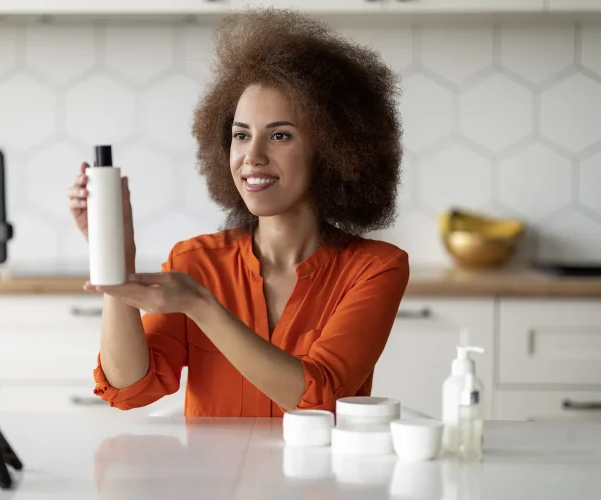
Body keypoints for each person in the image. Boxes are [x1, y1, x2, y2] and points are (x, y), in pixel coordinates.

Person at [68, 8, 409, 417]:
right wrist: (116, 260)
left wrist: (202, 307)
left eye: (279, 135)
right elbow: (129, 388)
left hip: (319, 481)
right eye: (241, 135)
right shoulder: (196, 263)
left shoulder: (375, 269)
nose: (253, 157)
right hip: (213, 481)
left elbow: (322, 398)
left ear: (332, 150)